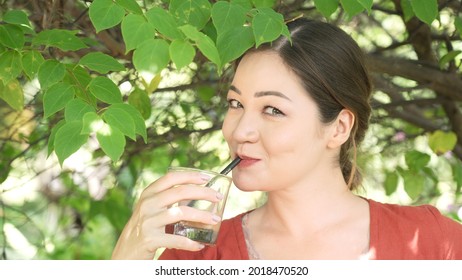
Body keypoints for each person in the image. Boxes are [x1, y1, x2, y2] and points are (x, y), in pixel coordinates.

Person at [111, 18, 462, 260]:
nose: (239, 131)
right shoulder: (195, 256)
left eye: (273, 110)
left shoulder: (436, 243)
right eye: (236, 104)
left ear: (339, 128)